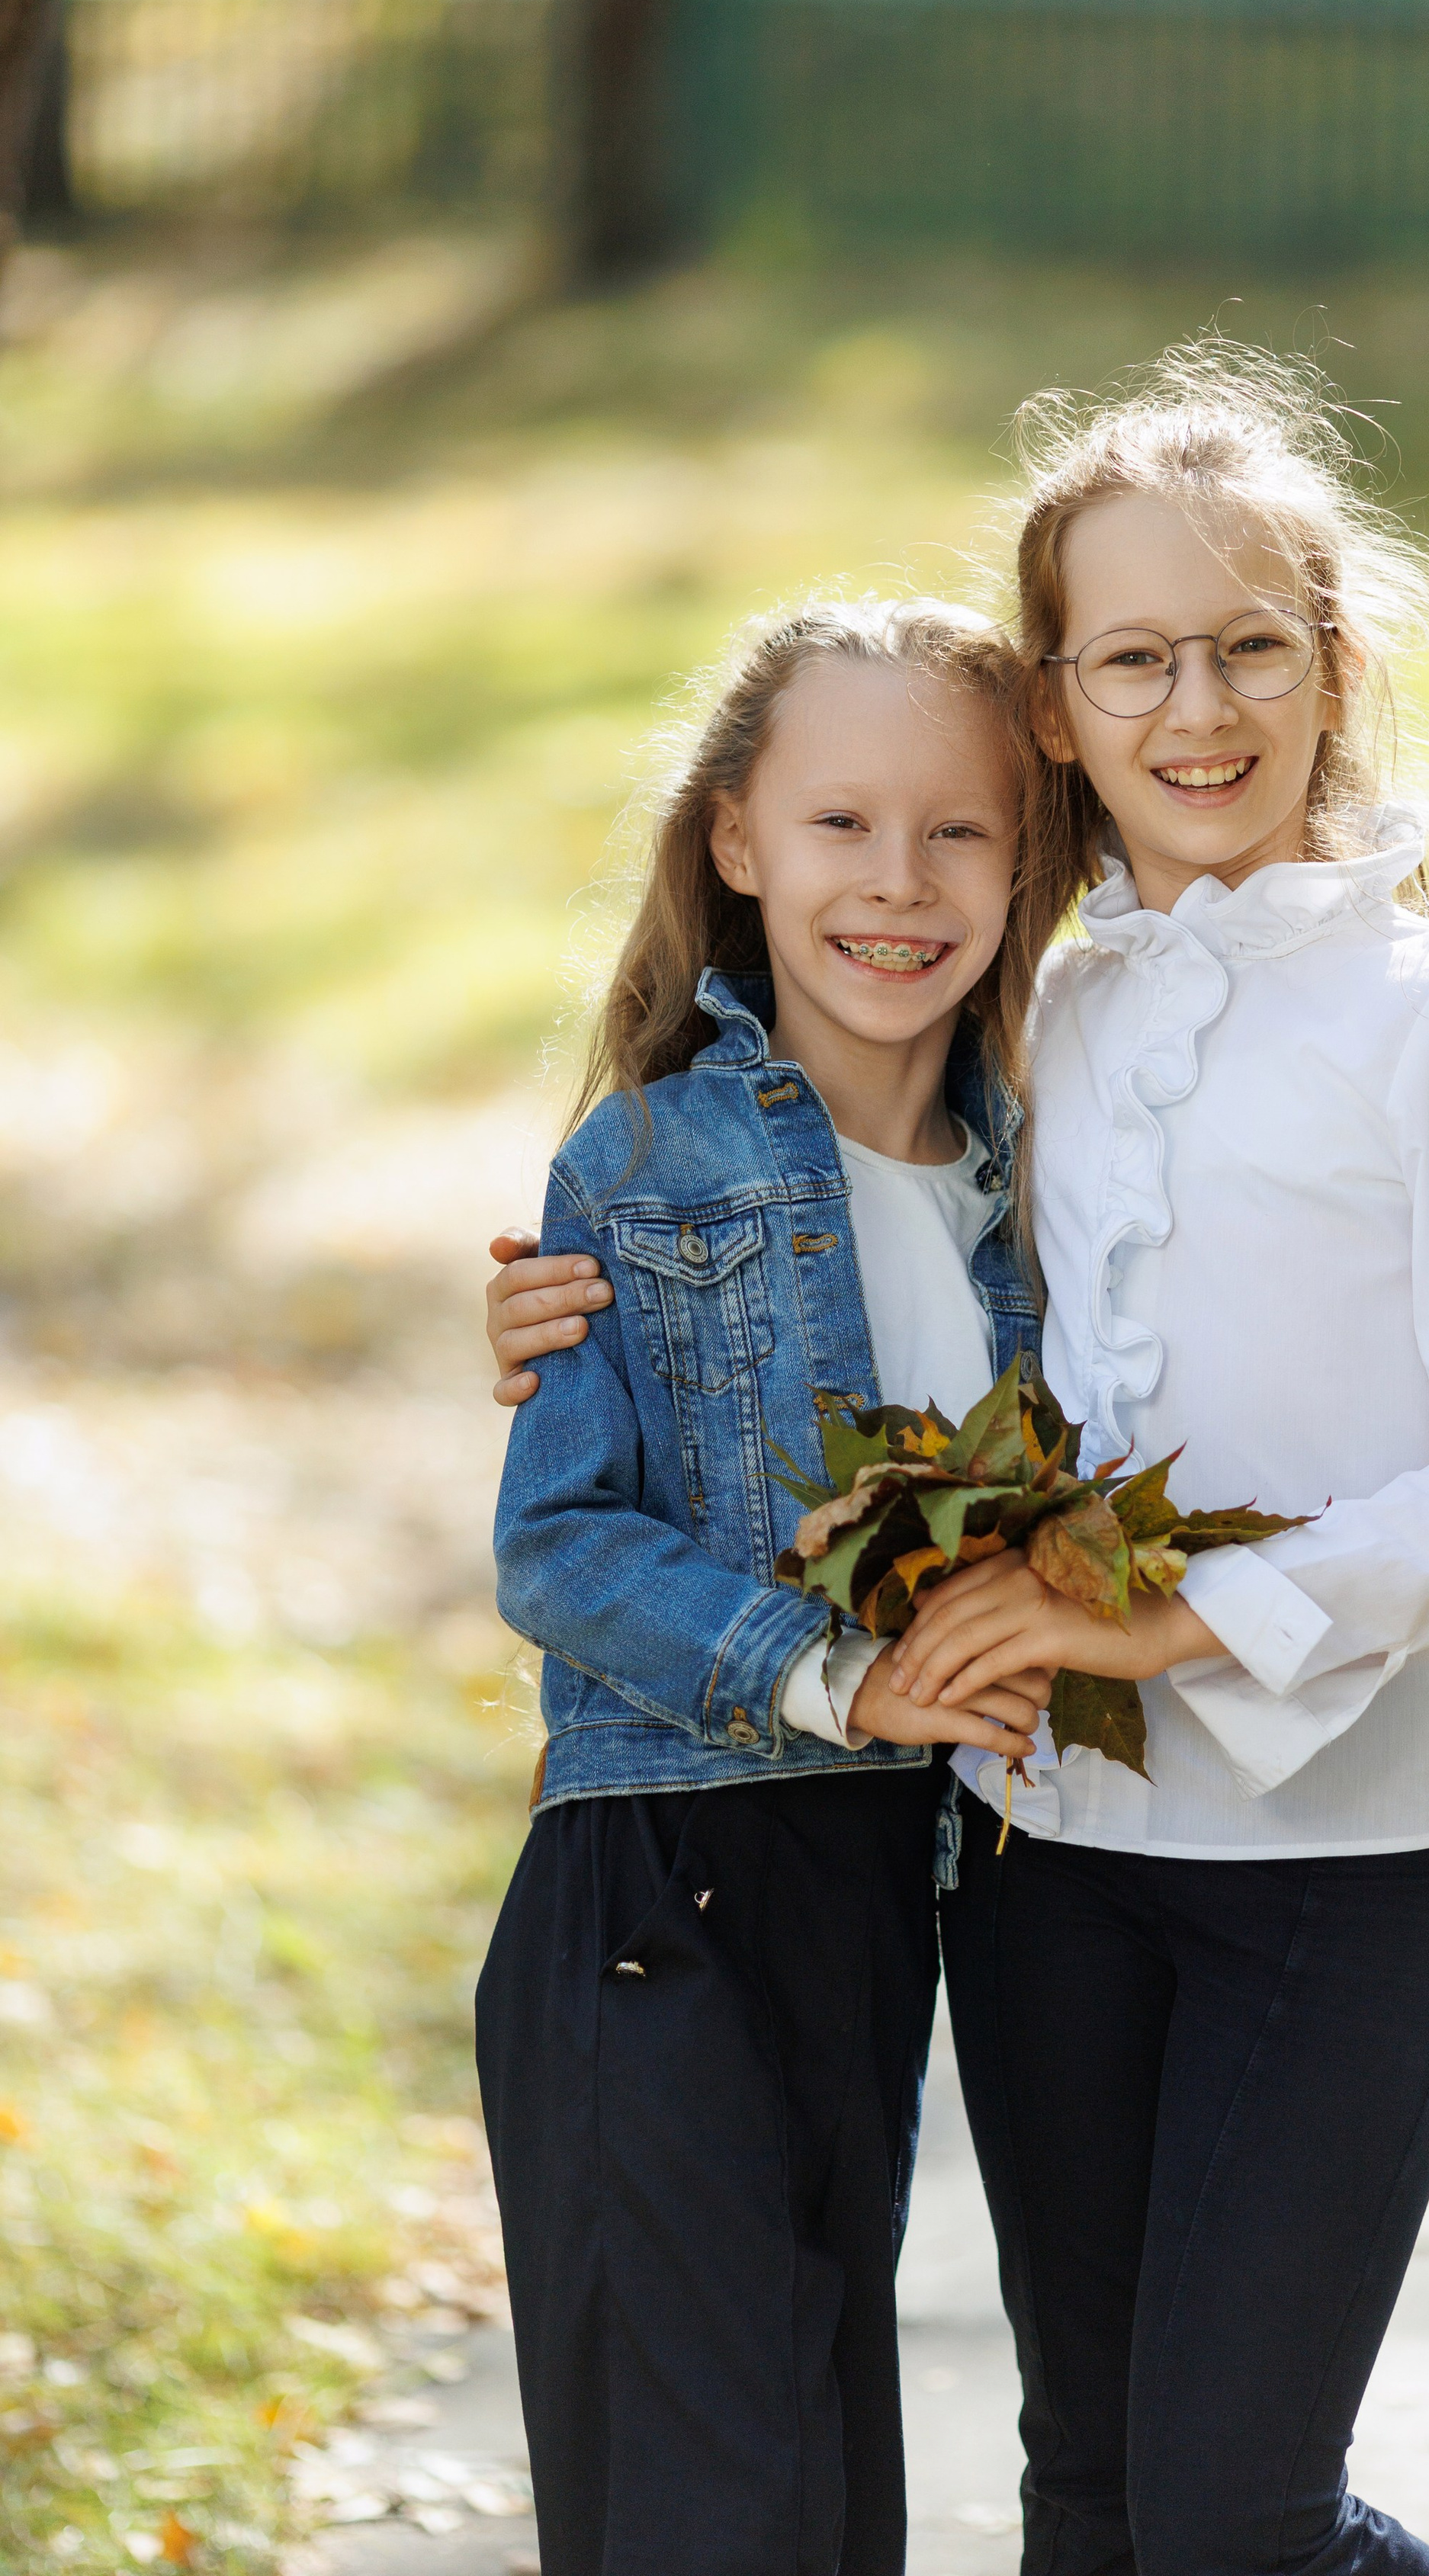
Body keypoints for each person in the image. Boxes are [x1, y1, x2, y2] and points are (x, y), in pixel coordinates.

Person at [483, 348, 1429, 2576]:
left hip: (1340, 1851)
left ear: (1335, 663)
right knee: (1081, 2499)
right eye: (1137, 658)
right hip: (1046, 1849)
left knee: (1230, 2520)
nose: (1203, 705)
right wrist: (561, 1300)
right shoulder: (1043, 1023)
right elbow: (859, 1320)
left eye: (1254, 644)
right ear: (1064, 711)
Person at [478, 597, 1078, 2576]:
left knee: (827, 2506)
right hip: (662, 1889)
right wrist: (840, 1679)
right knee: (700, 2517)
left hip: (874, 1904)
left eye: (960, 831)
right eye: (840, 826)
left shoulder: (1044, 1189)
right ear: (736, 840)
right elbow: (557, 1545)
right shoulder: (643, 1168)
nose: (897, 885)